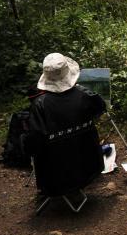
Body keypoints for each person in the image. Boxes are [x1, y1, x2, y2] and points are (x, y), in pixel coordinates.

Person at [23, 53, 106, 197]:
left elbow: (33, 143)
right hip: (89, 167)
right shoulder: (85, 95)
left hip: (56, 177)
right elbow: (101, 108)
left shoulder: (40, 104)